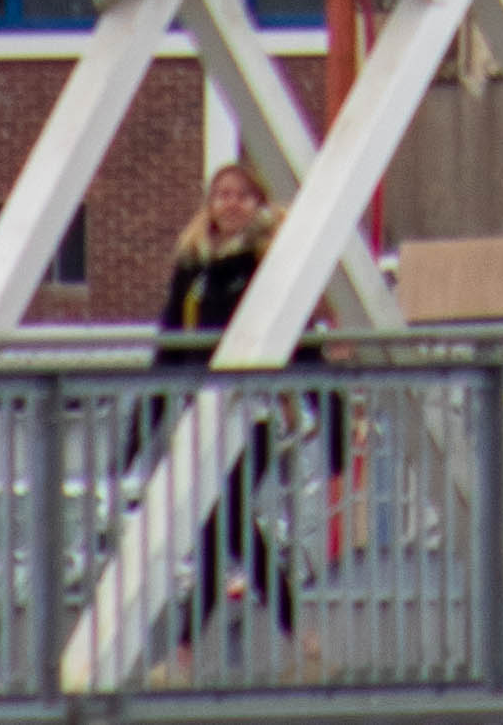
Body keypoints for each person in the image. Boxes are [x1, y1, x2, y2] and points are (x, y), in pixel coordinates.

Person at [148, 164, 297, 657]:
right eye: (221, 195)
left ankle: (187, 648)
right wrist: (149, 414)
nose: (229, 204)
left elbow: (298, 328)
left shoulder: (265, 259)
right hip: (201, 406)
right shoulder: (193, 264)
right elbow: (171, 336)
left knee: (226, 521)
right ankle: (298, 635)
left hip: (252, 408)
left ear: (258, 203)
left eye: (241, 196)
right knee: (226, 524)